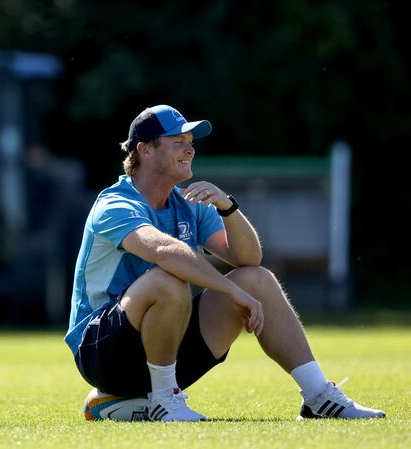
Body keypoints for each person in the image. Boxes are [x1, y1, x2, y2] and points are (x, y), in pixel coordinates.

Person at [65, 105, 385, 422]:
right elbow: (164, 251)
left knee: (256, 279)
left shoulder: (189, 203)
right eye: (178, 141)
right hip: (101, 352)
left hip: (163, 345)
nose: (190, 149)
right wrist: (229, 290)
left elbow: (248, 259)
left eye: (191, 141)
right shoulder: (115, 203)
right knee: (168, 280)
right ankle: (163, 400)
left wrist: (227, 206)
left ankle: (318, 395)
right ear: (145, 150)